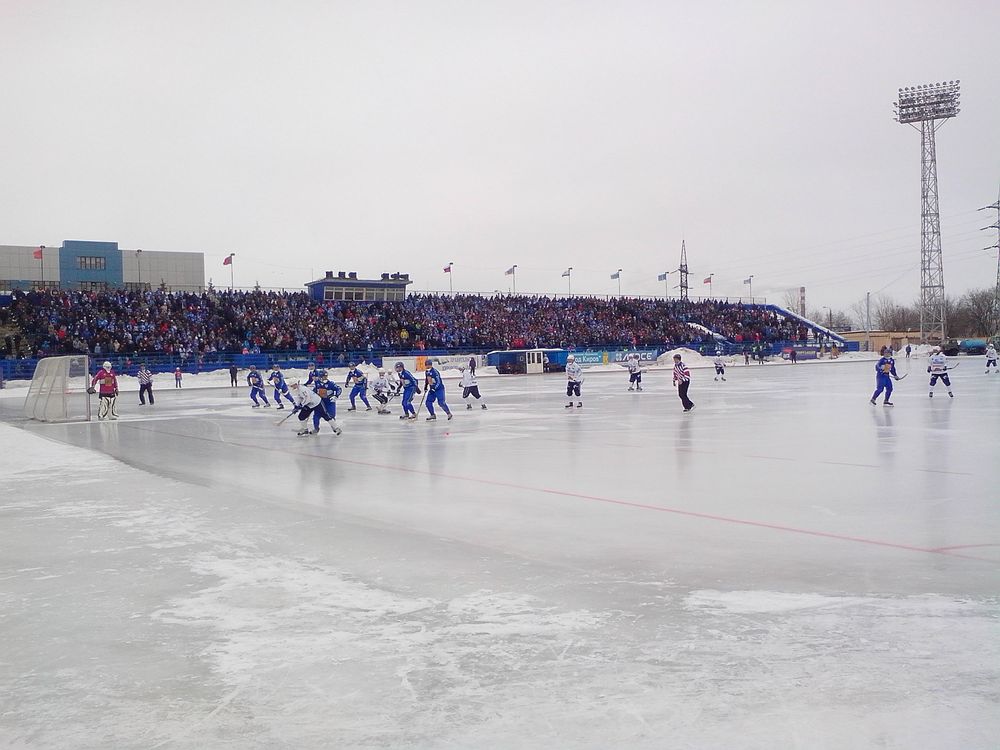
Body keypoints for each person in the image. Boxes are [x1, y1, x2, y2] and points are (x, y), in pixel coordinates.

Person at [301, 370, 343, 435]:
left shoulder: (330, 384)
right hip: (320, 403)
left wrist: (336, 396)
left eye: (326, 376)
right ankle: (316, 429)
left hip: (329, 402)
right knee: (316, 417)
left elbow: (339, 389)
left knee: (331, 416)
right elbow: (314, 391)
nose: (325, 378)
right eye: (323, 376)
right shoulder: (317, 383)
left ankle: (335, 428)